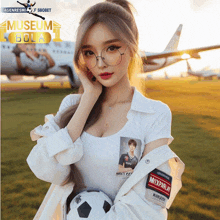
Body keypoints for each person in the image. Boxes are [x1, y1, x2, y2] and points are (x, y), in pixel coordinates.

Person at [27, 0, 185, 219]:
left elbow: (148, 205)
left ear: (132, 46)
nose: (100, 63)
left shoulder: (154, 114)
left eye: (111, 48)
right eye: (89, 52)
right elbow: (45, 168)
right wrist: (88, 99)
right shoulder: (72, 106)